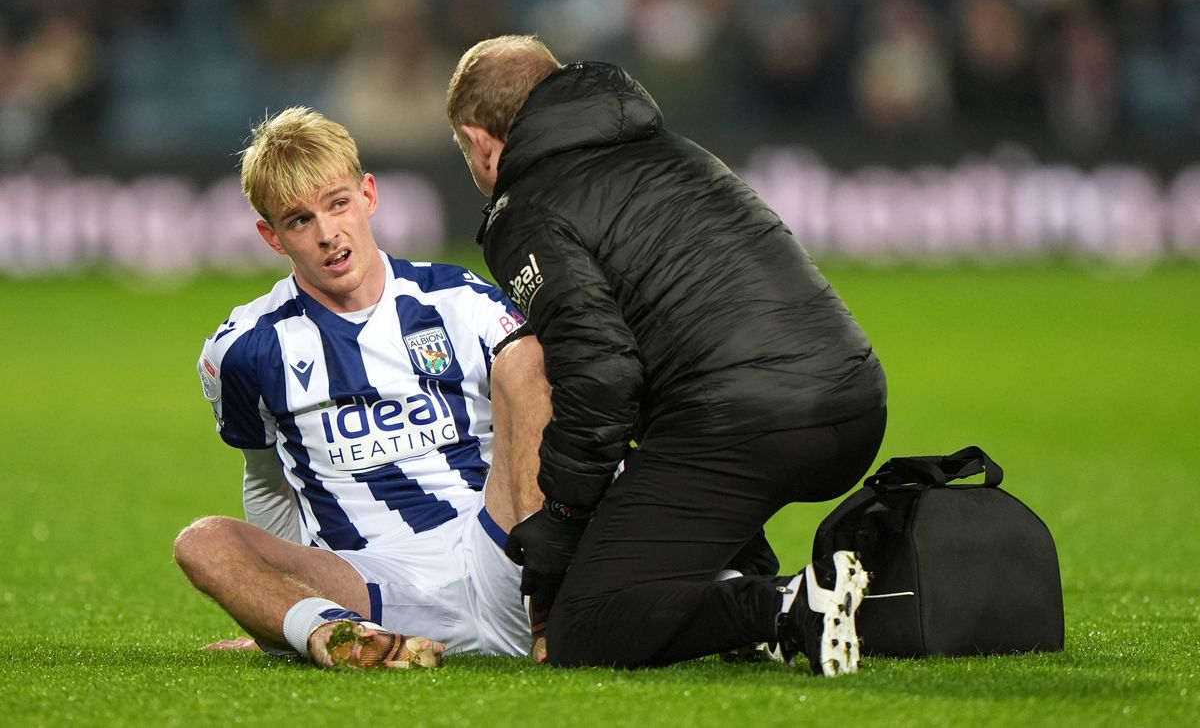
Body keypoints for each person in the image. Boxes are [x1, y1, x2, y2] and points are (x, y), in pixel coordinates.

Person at [446, 36, 888, 675]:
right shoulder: (676, 151)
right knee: (677, 419)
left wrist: (562, 522)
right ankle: (750, 578)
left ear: (479, 140)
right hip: (854, 402)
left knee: (586, 627)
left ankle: (785, 608)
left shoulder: (528, 208)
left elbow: (599, 375)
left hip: (746, 426)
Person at [173, 107, 551, 670]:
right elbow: (266, 479)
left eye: (337, 203)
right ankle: (330, 634)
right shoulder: (245, 349)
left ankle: (555, 598)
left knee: (531, 367)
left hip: (498, 549)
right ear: (271, 236)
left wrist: (540, 558)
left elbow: (535, 425)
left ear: (368, 195)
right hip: (373, 585)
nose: (327, 234)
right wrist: (282, 612)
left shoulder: (459, 300)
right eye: (299, 220)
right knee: (201, 543)